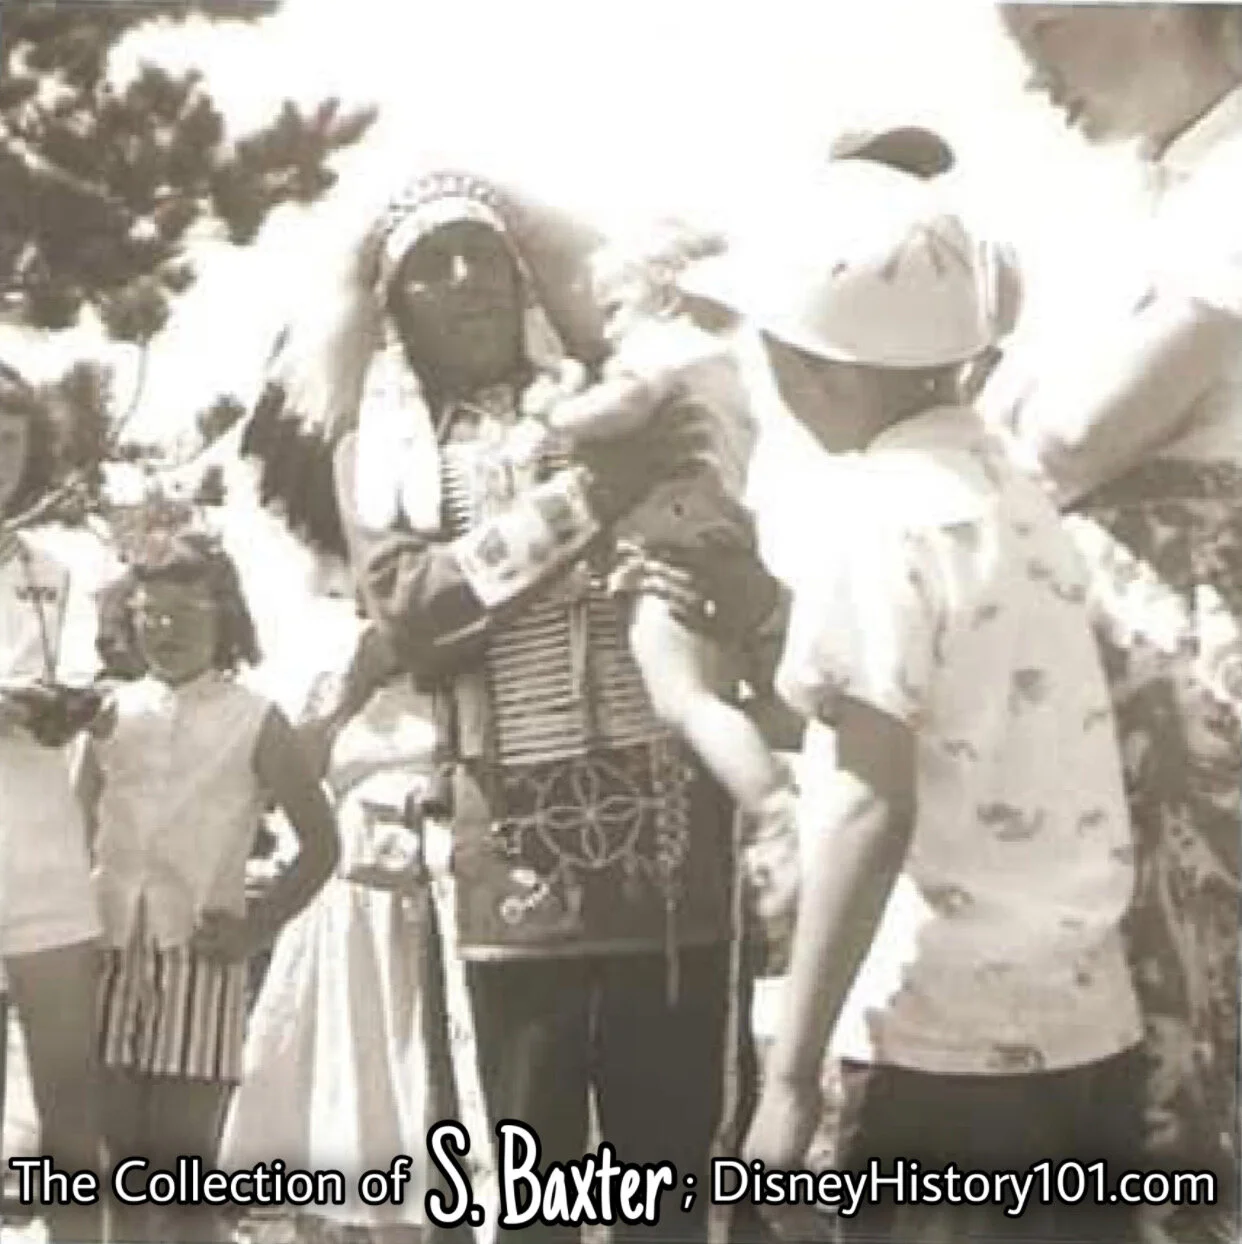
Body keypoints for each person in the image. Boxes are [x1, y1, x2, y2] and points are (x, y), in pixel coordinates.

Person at [241, 169, 774, 1244]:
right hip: (506, 846)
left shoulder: (616, 390)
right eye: (428, 266)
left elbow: (727, 550)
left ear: (523, 275)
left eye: (481, 253)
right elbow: (414, 610)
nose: (462, 278)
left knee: (678, 1160)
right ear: (390, 311)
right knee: (518, 1164)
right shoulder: (384, 446)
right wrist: (593, 493)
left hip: (670, 838)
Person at [696, 160, 1144, 1243]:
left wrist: (791, 1077)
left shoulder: (875, 521)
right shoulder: (1017, 496)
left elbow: (866, 801)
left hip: (933, 1037)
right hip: (1087, 1021)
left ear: (816, 370)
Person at [992, 8, 1242, 1240]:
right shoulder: (1141, 188)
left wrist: (1030, 425)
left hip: (1206, 658)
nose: (1030, 78)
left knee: (1206, 1014)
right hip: (1119, 670)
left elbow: (1076, 426)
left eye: (1041, 26)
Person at [82, 516, 339, 1244]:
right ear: (128, 620)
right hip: (106, 954)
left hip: (200, 954)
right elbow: (74, 836)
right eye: (150, 613)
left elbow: (321, 845)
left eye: (186, 614)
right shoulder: (107, 713)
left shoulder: (257, 720)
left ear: (223, 617)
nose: (166, 630)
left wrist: (259, 926)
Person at [220, 603, 438, 1244]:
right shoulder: (335, 659)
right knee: (342, 1068)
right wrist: (353, 684)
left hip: (426, 889)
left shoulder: (460, 663)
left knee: (418, 1061)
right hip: (344, 899)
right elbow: (296, 774)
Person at [0, 360, 106, 1244]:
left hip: (43, 847)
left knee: (74, 1101)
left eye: (10, 436)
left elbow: (84, 680)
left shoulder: (56, 569)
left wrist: (79, 701)